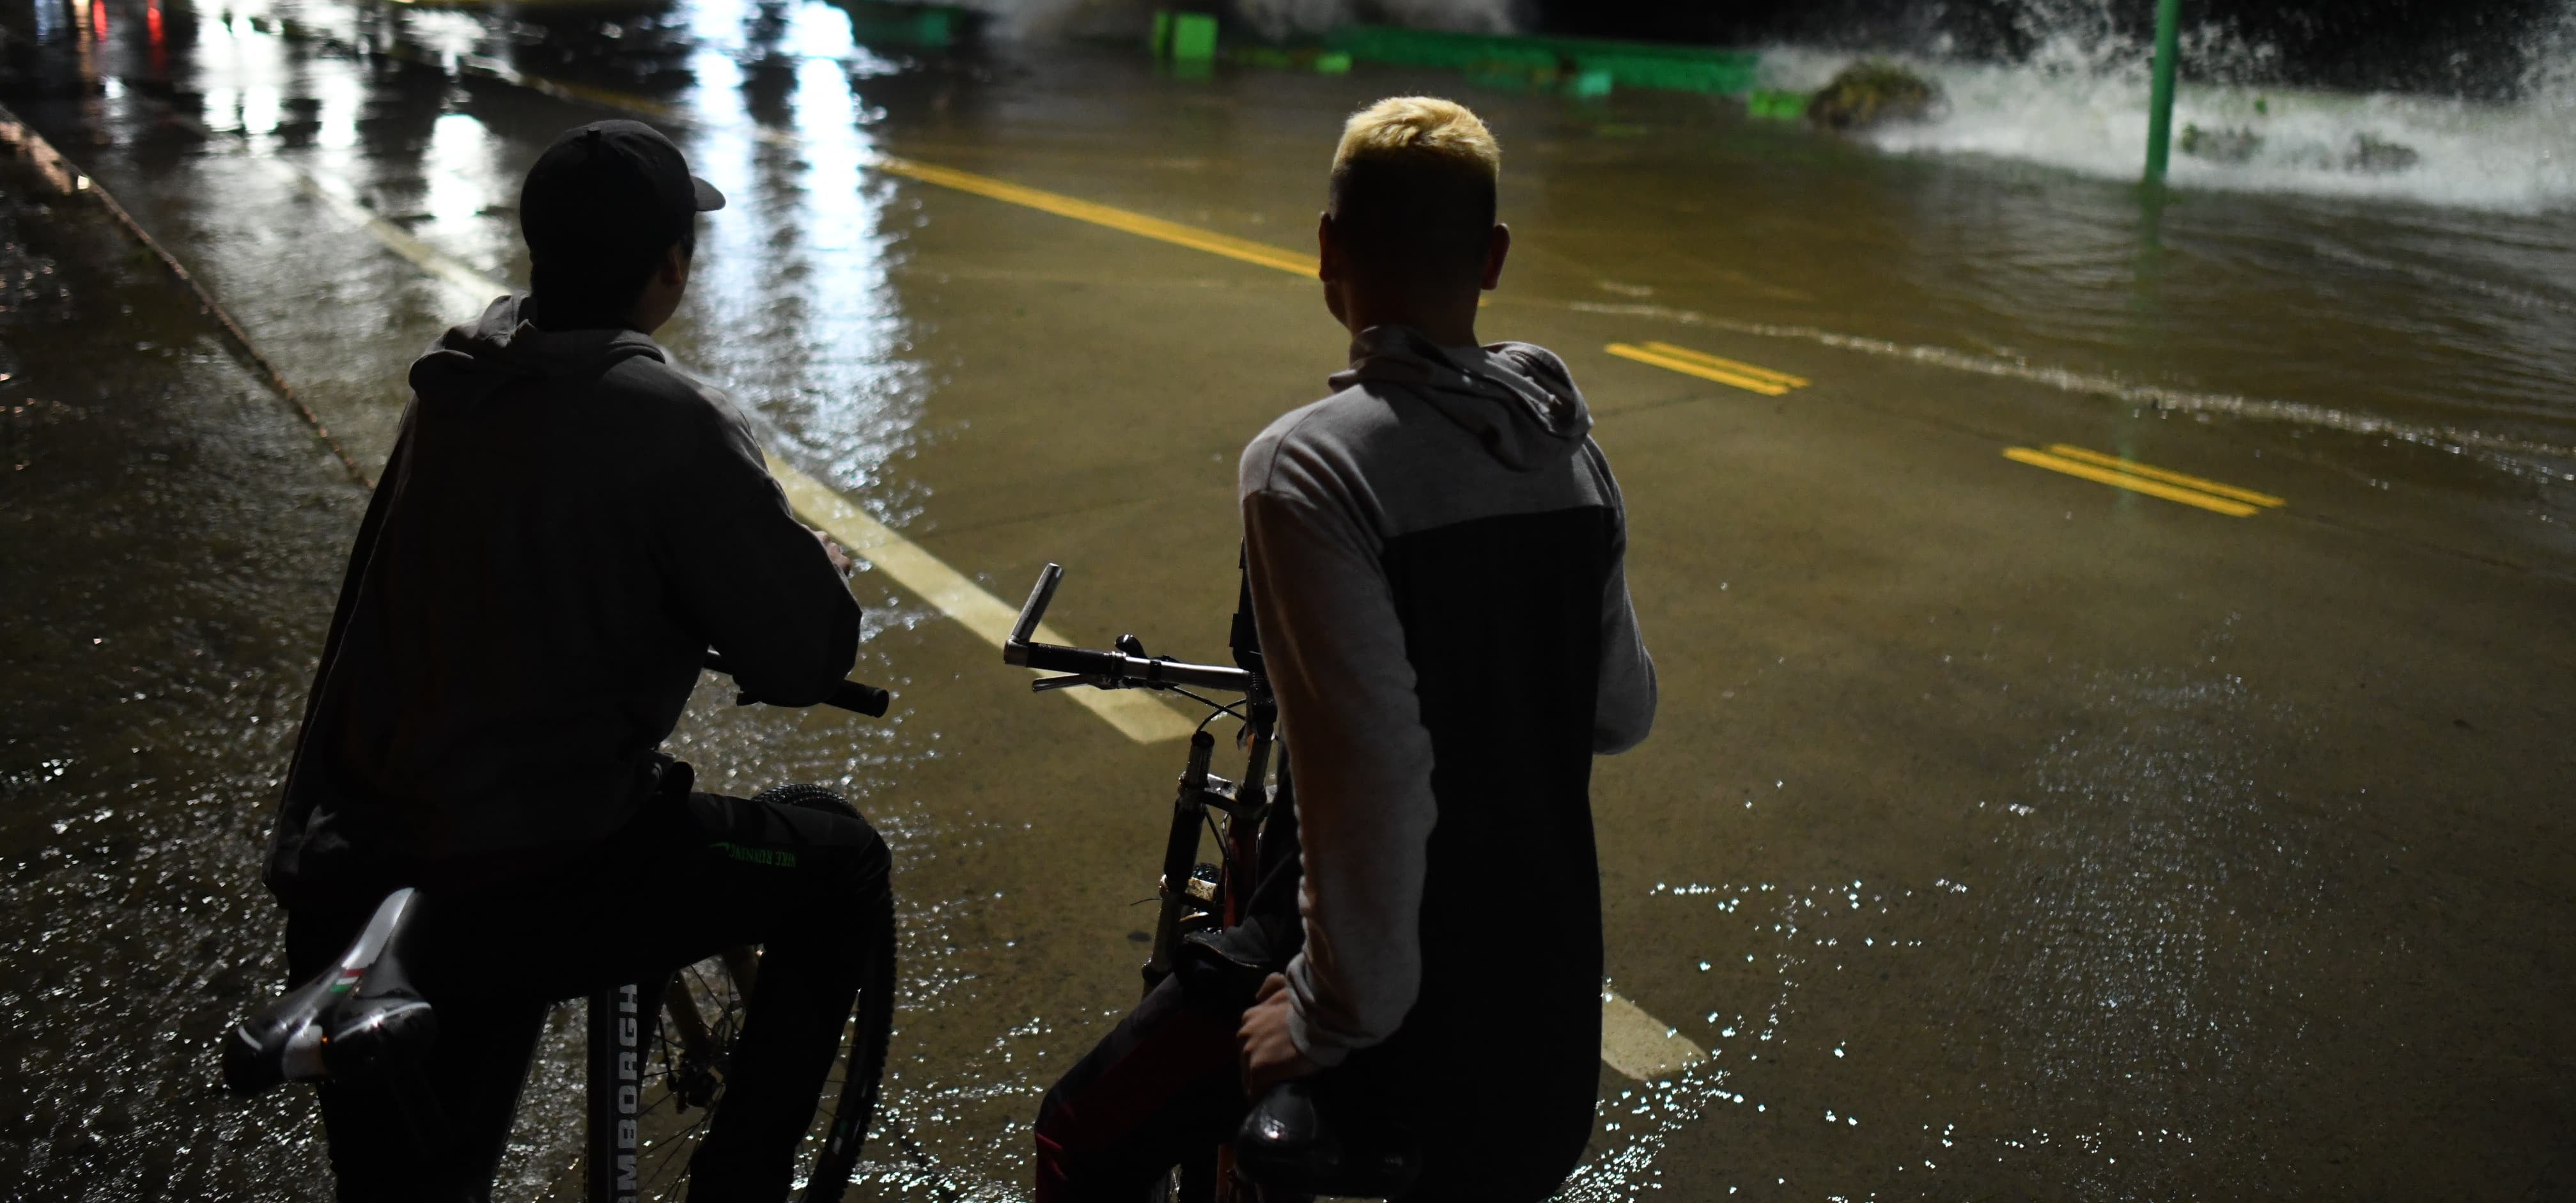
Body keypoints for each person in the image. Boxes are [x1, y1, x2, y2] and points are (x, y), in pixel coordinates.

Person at [1036, 96, 1657, 1201]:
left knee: (1079, 1134)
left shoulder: (1310, 470)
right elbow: (1621, 710)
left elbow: (1372, 777)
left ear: (1326, 244)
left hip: (1399, 1021)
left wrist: (1330, 1010)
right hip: (1546, 1021)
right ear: (1494, 259)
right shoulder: (1571, 454)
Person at [263, 120, 890, 1203]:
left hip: (349, 865)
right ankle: (740, 1187)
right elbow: (800, 654)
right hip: (526, 868)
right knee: (842, 871)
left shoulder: (456, 381)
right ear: (669, 267)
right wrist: (809, 566)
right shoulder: (665, 416)